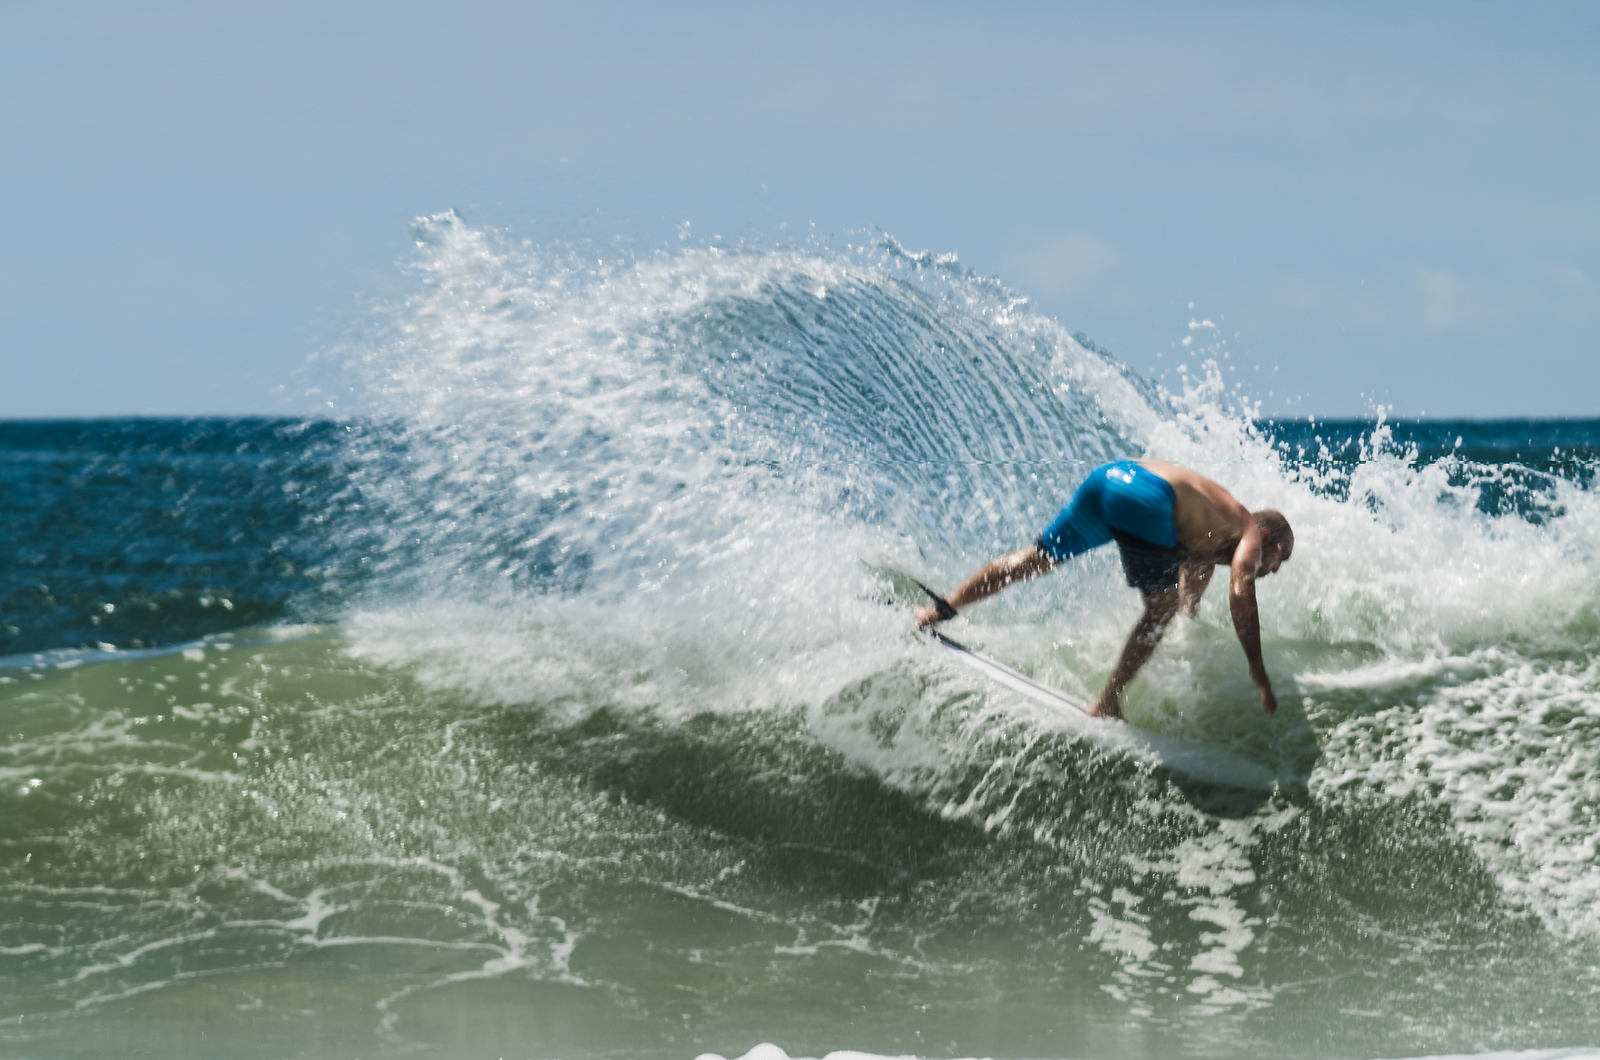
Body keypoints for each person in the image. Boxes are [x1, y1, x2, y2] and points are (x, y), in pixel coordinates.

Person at [913, 459, 1293, 720]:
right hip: (1147, 496)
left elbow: (1189, 598)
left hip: (1109, 478)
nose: (1276, 568)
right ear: (1265, 537)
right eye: (1281, 556)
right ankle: (1108, 704)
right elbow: (1241, 590)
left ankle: (936, 611)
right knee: (1159, 610)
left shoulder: (1210, 536)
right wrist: (1257, 668)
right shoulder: (1247, 531)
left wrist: (1190, 622)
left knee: (1036, 559)